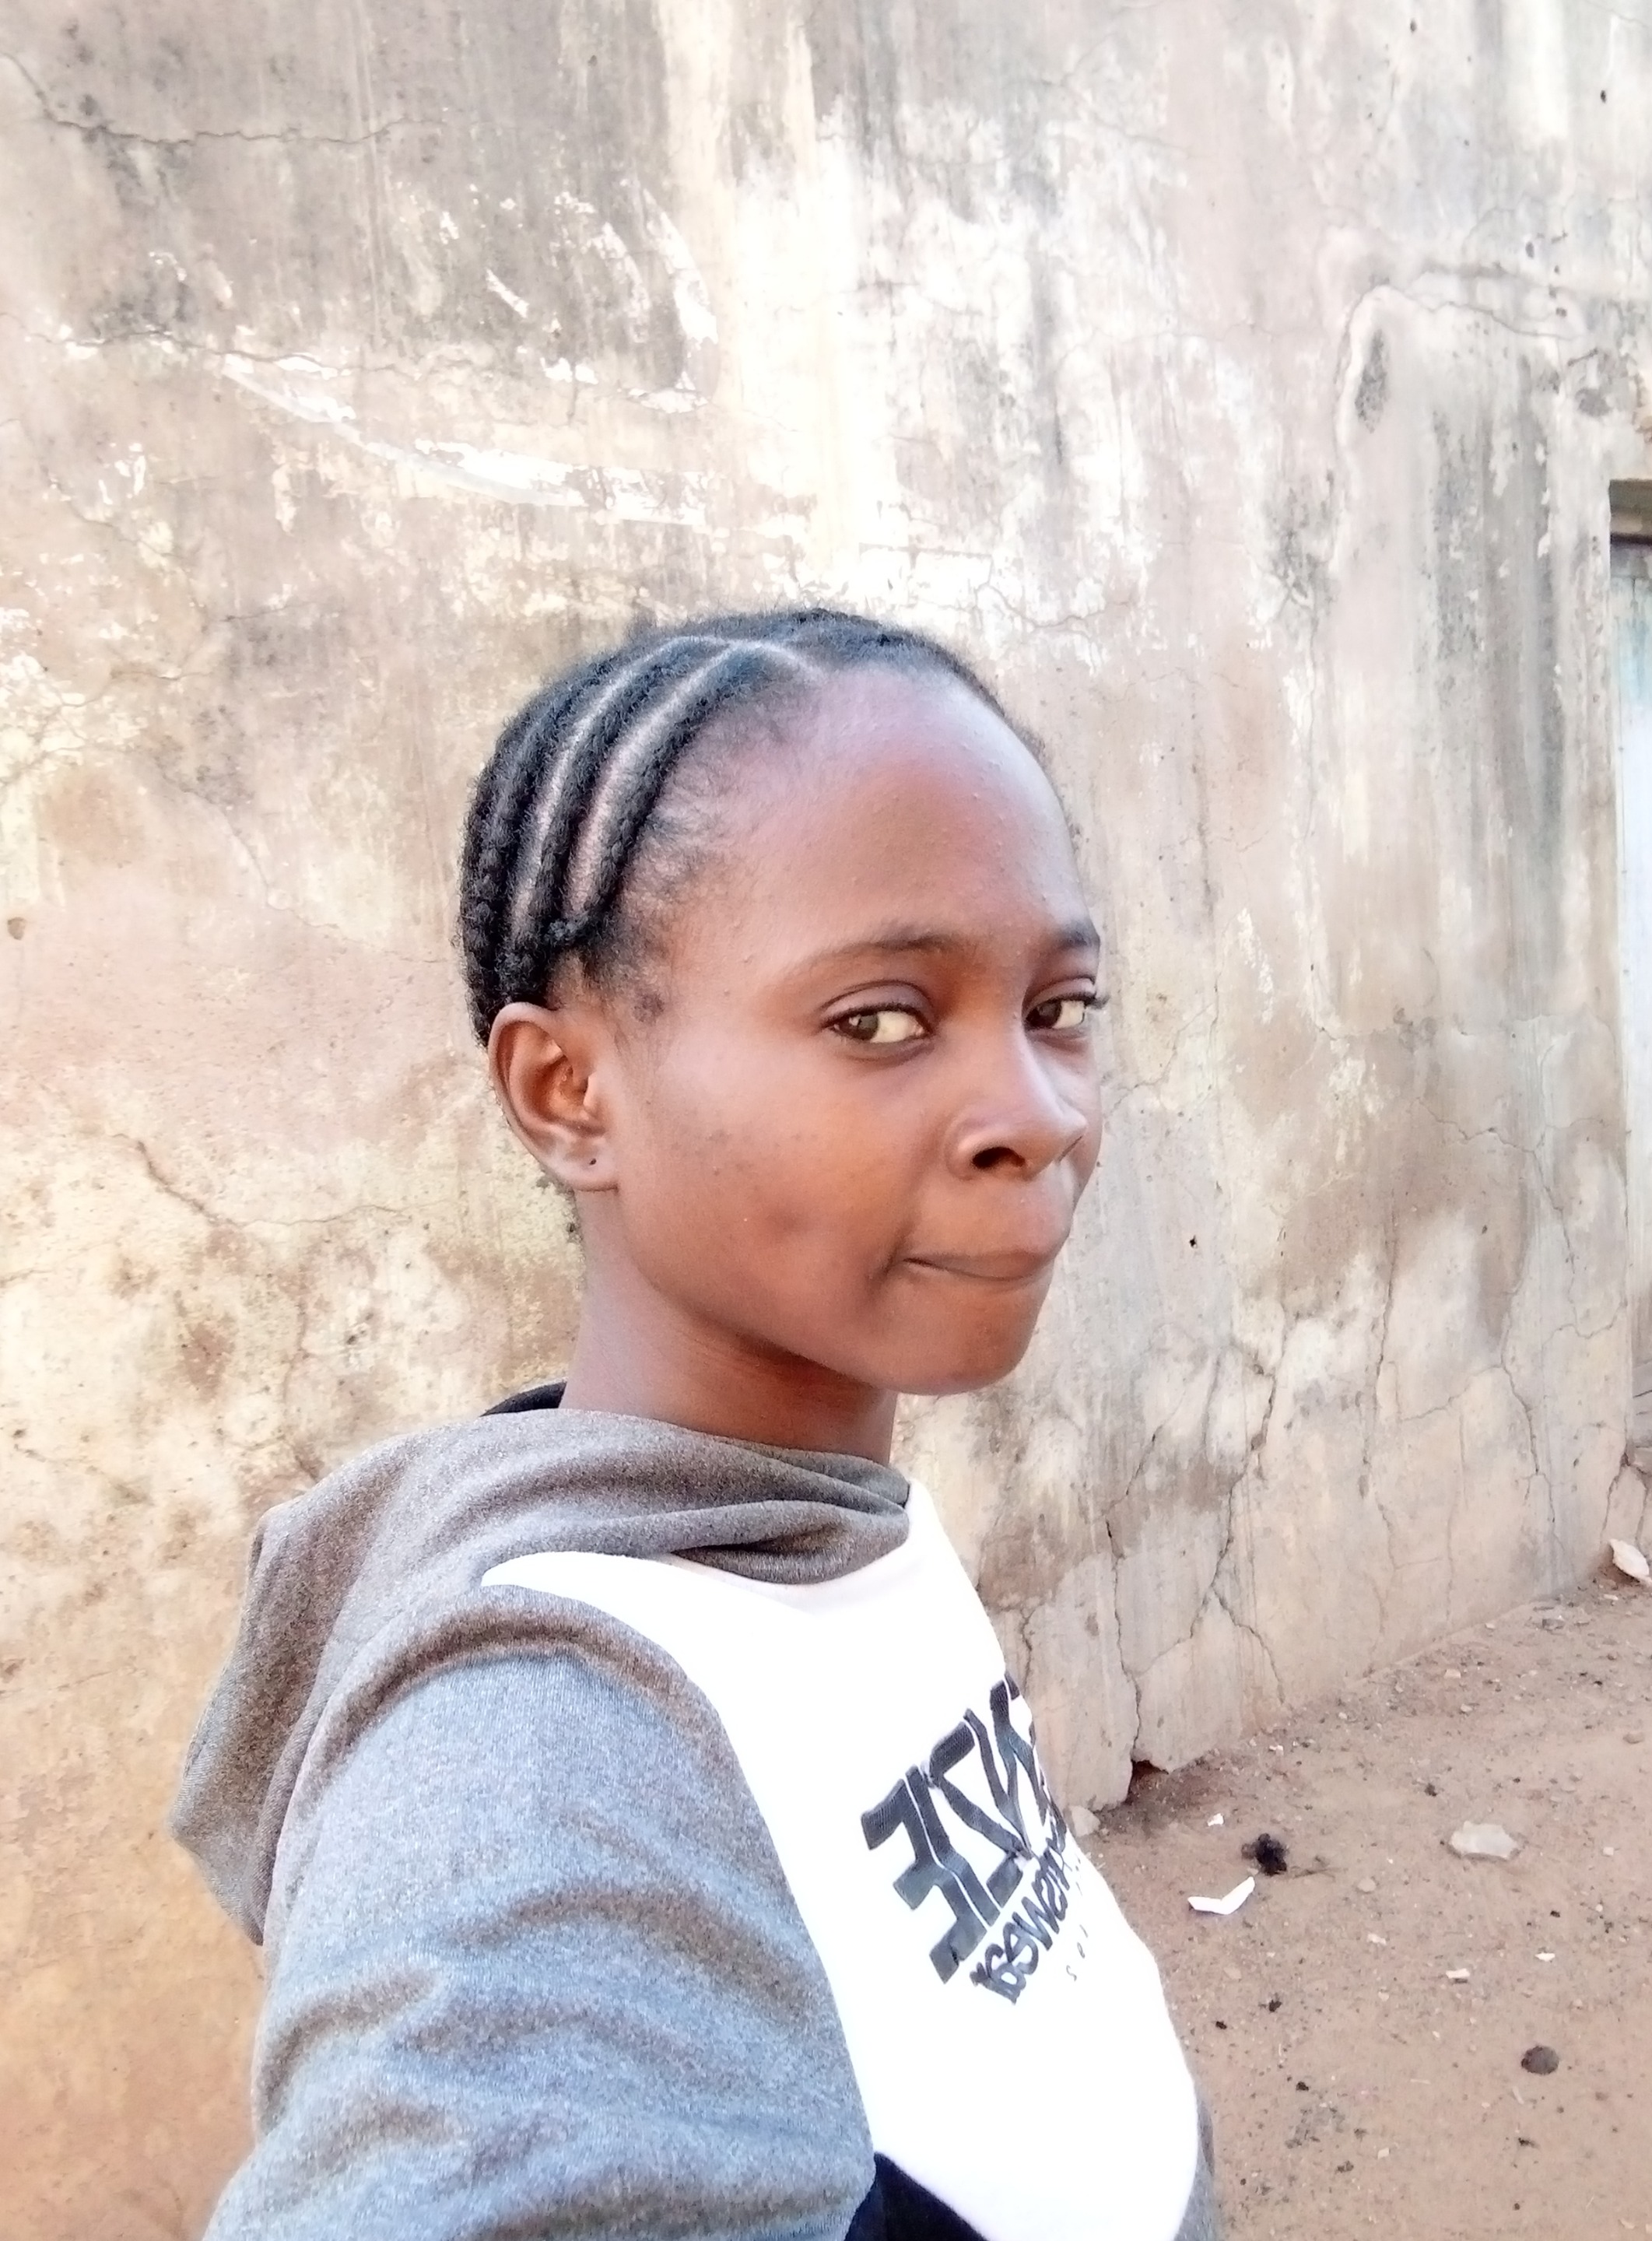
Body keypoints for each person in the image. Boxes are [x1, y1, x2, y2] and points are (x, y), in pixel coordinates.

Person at [174, 609, 1222, 2240]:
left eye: (1059, 1003)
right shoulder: (537, 1763)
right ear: (568, 1093)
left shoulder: (796, 1520)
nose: (1038, 1112)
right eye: (880, 1019)